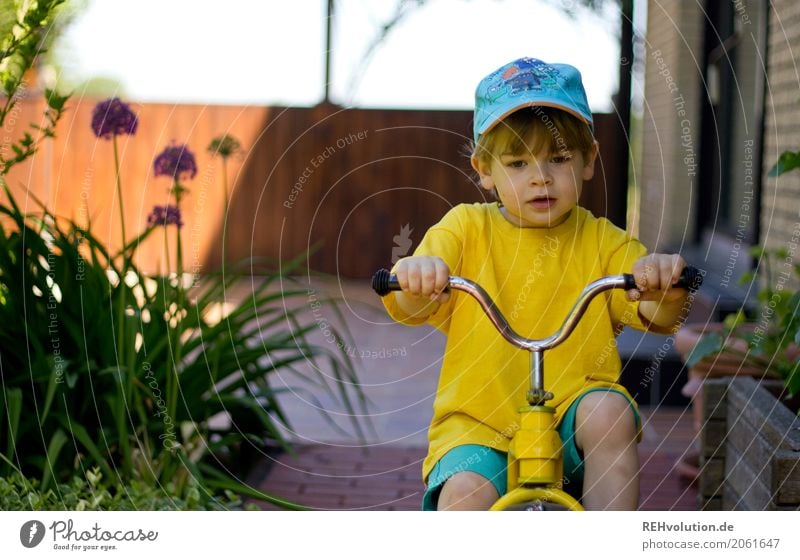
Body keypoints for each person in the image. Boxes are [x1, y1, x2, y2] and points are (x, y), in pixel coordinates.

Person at [381, 57, 691, 510]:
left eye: (559, 159)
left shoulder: (605, 242)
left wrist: (665, 285)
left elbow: (658, 315)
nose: (540, 177)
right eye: (517, 163)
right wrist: (416, 276)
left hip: (572, 417)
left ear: (588, 161)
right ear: (484, 171)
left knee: (607, 413)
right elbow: (410, 306)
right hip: (479, 425)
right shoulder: (464, 229)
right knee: (463, 498)